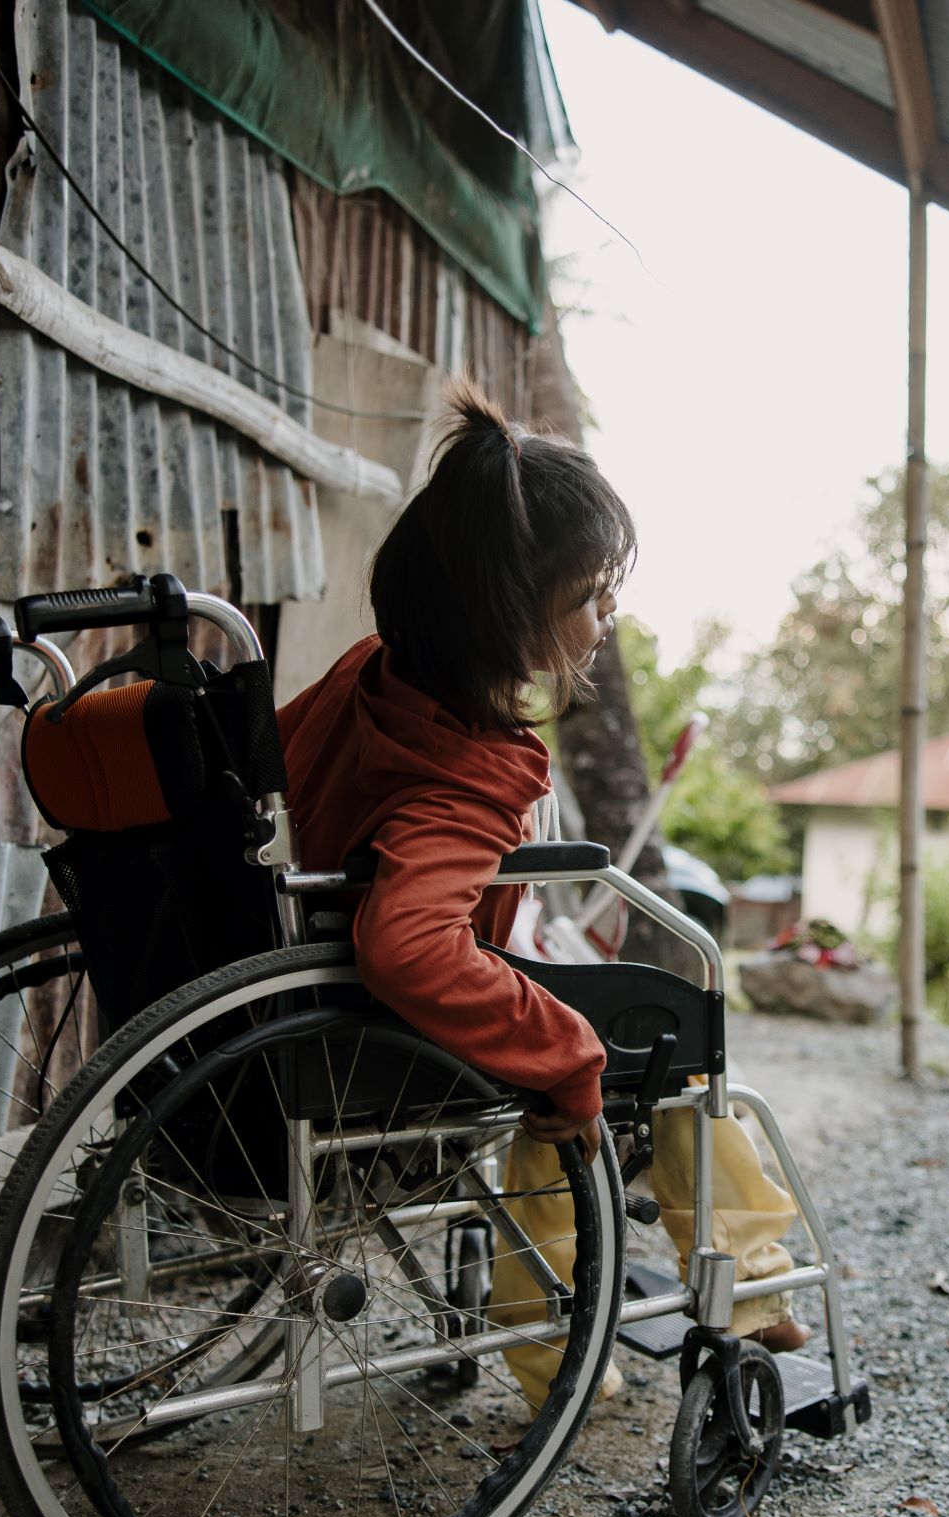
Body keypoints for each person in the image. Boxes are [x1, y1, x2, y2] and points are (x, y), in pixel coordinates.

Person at [276, 387, 805, 1407]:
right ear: (512, 612)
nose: (608, 616)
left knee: (594, 1036)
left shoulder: (365, 678)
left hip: (310, 996)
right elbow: (409, 945)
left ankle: (571, 1344)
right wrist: (565, 1056)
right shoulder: (468, 769)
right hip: (388, 1036)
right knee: (651, 1038)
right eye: (592, 594)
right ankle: (740, 1283)